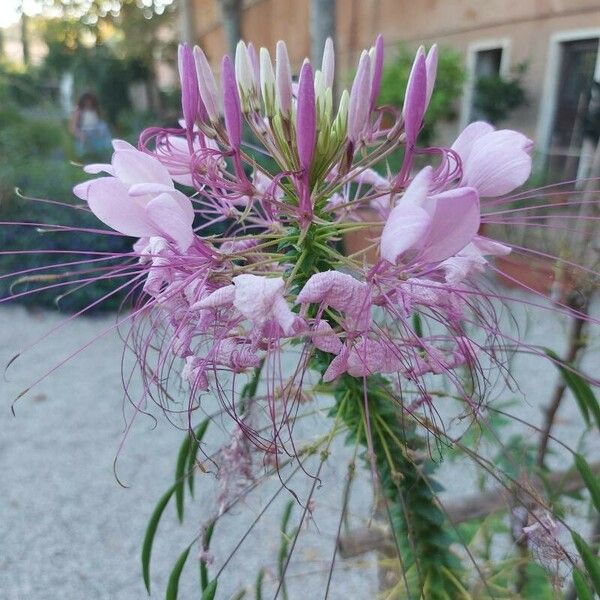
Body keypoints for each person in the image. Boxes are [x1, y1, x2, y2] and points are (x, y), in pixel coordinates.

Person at [69, 92, 112, 157]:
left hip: (98, 137)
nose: (88, 103)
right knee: (87, 157)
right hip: (85, 136)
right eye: (86, 101)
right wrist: (80, 135)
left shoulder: (96, 110)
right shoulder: (78, 111)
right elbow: (73, 128)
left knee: (101, 155)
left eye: (90, 101)